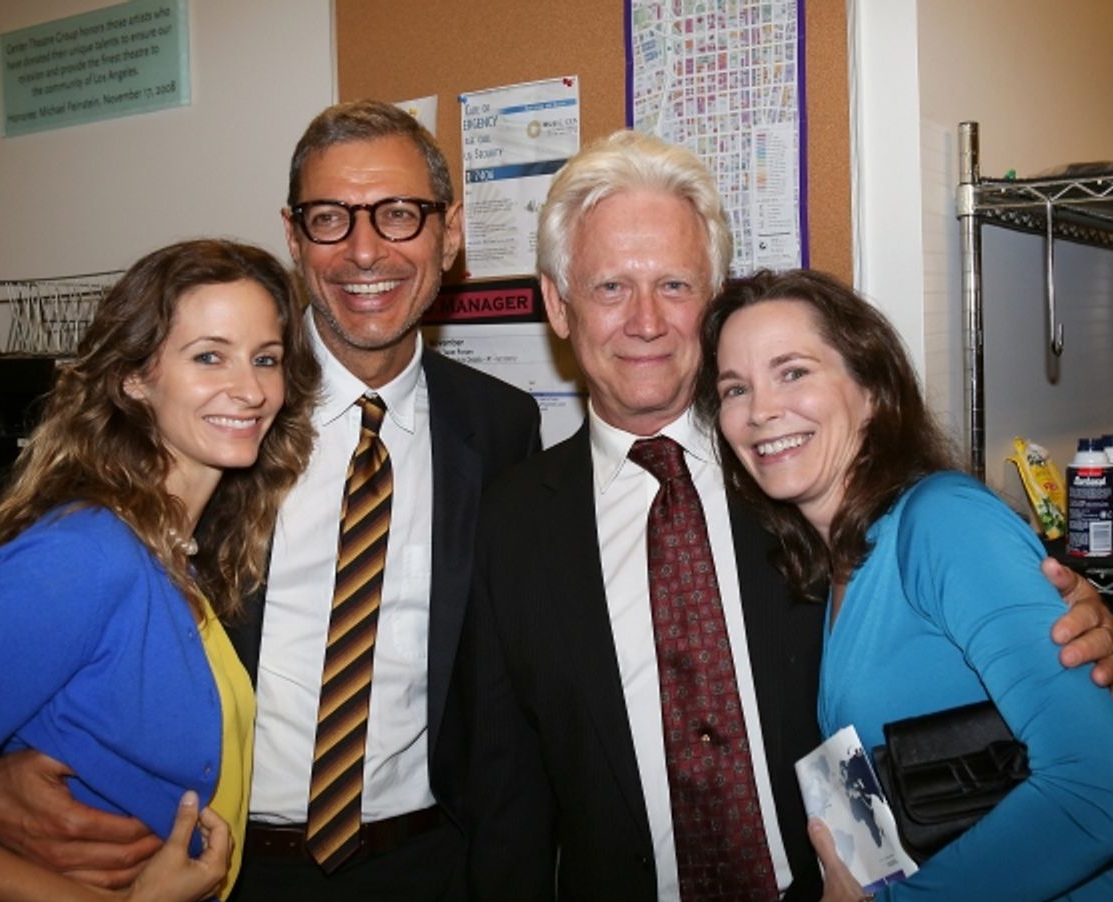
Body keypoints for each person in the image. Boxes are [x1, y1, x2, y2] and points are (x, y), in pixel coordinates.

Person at [457, 129, 1113, 901]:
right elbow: (508, 798)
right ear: (557, 306)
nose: (645, 321)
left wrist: (1078, 618)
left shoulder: (799, 485)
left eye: (674, 285)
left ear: (711, 299)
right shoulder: (509, 522)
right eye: (609, 288)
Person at [0, 100, 542, 901]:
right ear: (294, 238)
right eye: (330, 218)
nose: (365, 250)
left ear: (450, 233)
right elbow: (13, 609)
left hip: (427, 860)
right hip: (215, 864)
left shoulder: (502, 424)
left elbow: (507, 680)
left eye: (399, 214)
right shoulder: (224, 411)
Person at [0, 238, 319, 901]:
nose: (250, 390)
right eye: (209, 356)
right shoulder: (85, 556)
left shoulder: (183, 549)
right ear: (135, 377)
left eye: (266, 359)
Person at [702, 268, 1113, 899]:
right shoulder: (826, 566)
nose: (760, 410)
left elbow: (1097, 786)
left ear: (871, 390)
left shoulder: (943, 521)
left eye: (793, 372)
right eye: (735, 388)